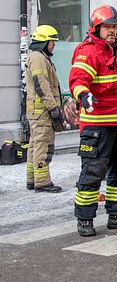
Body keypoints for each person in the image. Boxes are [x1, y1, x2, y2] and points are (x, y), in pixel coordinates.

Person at [69, 6, 117, 237]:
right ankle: (85, 219)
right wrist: (83, 95)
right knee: (93, 171)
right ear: (97, 28)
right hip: (97, 126)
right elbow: (77, 79)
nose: (111, 31)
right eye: (107, 27)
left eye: (114, 27)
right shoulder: (88, 52)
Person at [24, 25, 64, 193]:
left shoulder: (38, 56)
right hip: (42, 111)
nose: (53, 45)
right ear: (43, 42)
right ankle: (42, 181)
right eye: (51, 41)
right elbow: (42, 85)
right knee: (43, 145)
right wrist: (53, 108)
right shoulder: (38, 58)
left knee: (35, 144)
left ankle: (33, 179)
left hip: (37, 110)